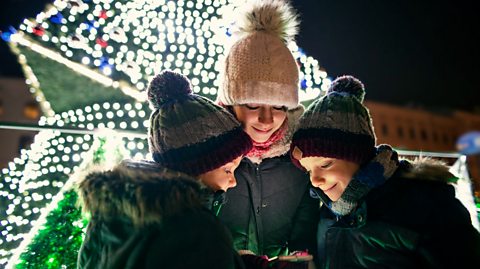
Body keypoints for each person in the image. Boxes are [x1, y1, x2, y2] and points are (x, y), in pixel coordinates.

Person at [290, 75, 480, 268]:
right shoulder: (329, 214)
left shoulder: (426, 205)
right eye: (308, 170)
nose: (315, 180)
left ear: (358, 156)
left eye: (325, 165)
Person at [76, 70, 253, 269]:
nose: (233, 181)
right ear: (195, 167)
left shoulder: (113, 211)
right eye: (228, 170)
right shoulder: (196, 229)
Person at [216, 0, 318, 260]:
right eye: (252, 104)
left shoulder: (301, 157)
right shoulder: (209, 157)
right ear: (230, 102)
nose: (266, 119)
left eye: (279, 106)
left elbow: (305, 230)